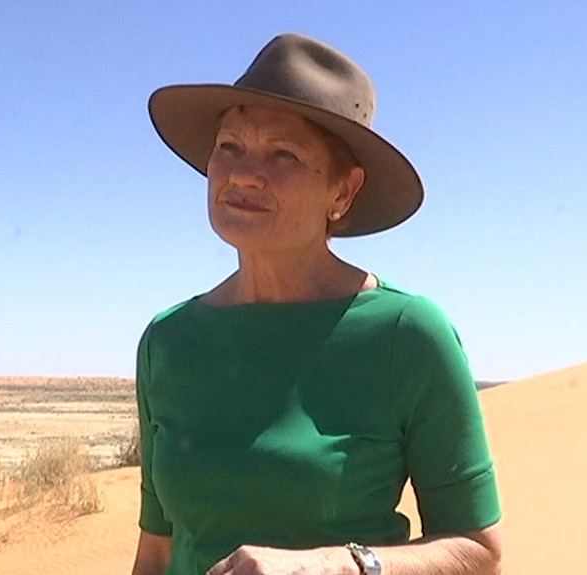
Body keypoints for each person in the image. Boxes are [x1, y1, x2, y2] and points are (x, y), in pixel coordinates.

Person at [131, 33, 502, 575]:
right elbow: (157, 551)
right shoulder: (167, 340)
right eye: (229, 146)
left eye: (284, 154)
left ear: (343, 193)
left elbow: (480, 551)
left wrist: (335, 567)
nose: (243, 173)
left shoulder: (408, 333)